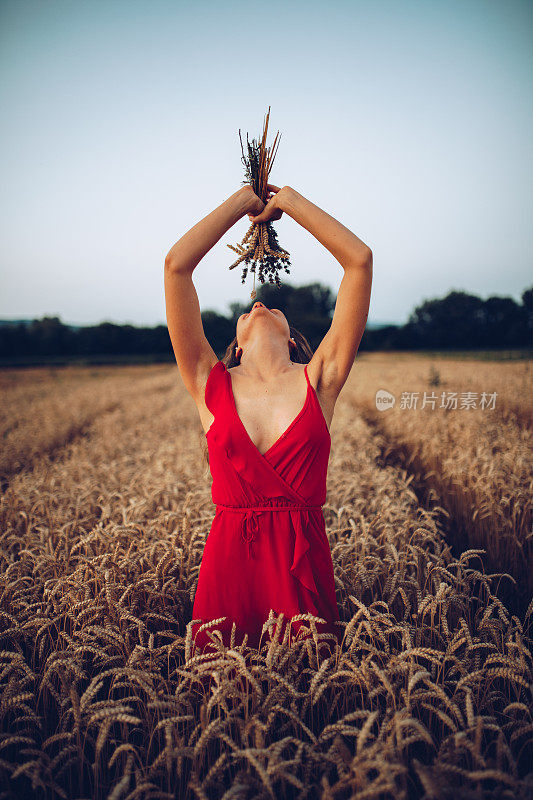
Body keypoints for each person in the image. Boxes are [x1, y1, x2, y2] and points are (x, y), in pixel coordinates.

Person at [164, 184, 372, 656]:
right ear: (234, 346)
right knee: (223, 705)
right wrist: (243, 201)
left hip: (302, 569)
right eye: (246, 310)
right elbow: (177, 267)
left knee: (311, 700)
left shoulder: (319, 379)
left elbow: (358, 260)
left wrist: (289, 202)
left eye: (272, 307)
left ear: (294, 339)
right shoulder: (208, 383)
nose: (258, 304)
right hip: (228, 574)